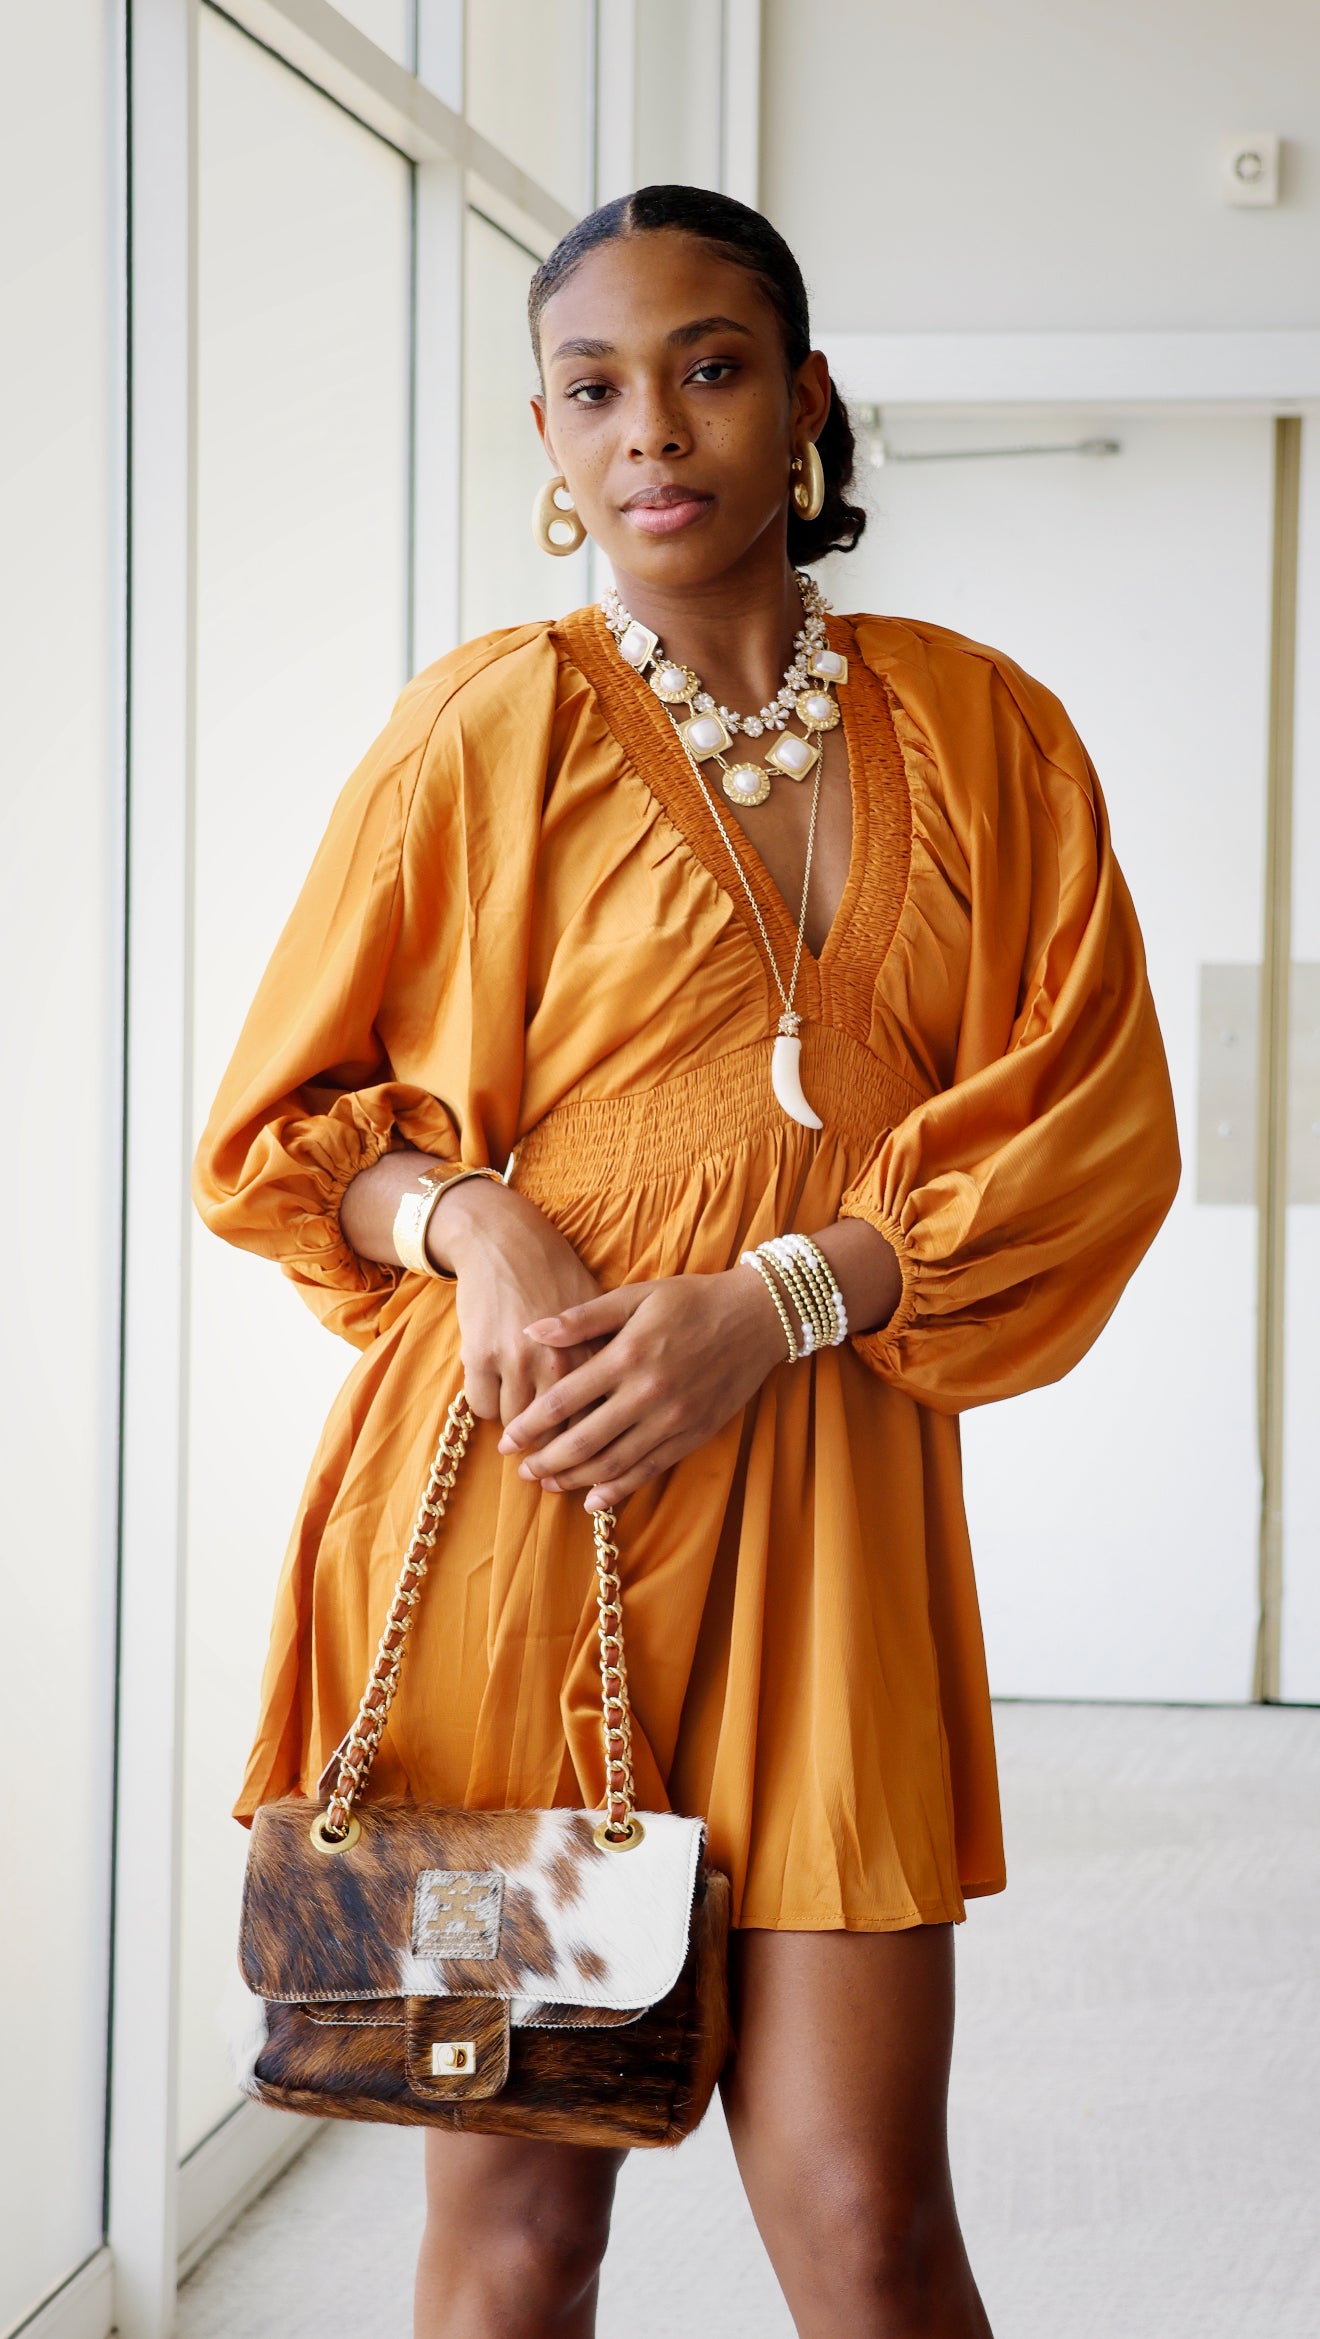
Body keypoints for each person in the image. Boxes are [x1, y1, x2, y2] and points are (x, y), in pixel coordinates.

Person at [194, 184, 1180, 2339]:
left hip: (834, 1523)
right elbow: (284, 1139)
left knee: (864, 2221)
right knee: (526, 2227)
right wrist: (475, 1220)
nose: (656, 429)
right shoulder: (485, 727)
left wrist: (785, 1295)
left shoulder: (987, 730)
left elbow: (1088, 1122)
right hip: (531, 1514)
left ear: (806, 406)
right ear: (547, 440)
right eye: (596, 386)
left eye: (713, 369)